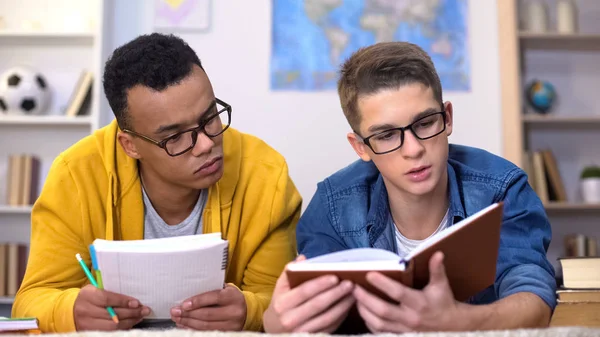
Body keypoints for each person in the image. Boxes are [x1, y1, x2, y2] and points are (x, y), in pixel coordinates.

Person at [12, 33, 302, 333]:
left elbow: (277, 298)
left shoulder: (266, 177)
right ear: (130, 145)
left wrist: (249, 310)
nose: (205, 144)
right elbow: (30, 302)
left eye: (210, 117)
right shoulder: (76, 176)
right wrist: (71, 311)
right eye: (175, 137)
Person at [263, 41, 556, 334]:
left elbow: (535, 302)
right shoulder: (332, 205)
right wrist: (276, 323)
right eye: (387, 135)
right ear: (360, 147)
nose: (413, 150)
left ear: (448, 117)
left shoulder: (502, 188)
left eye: (426, 123)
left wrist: (458, 322)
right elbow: (306, 312)